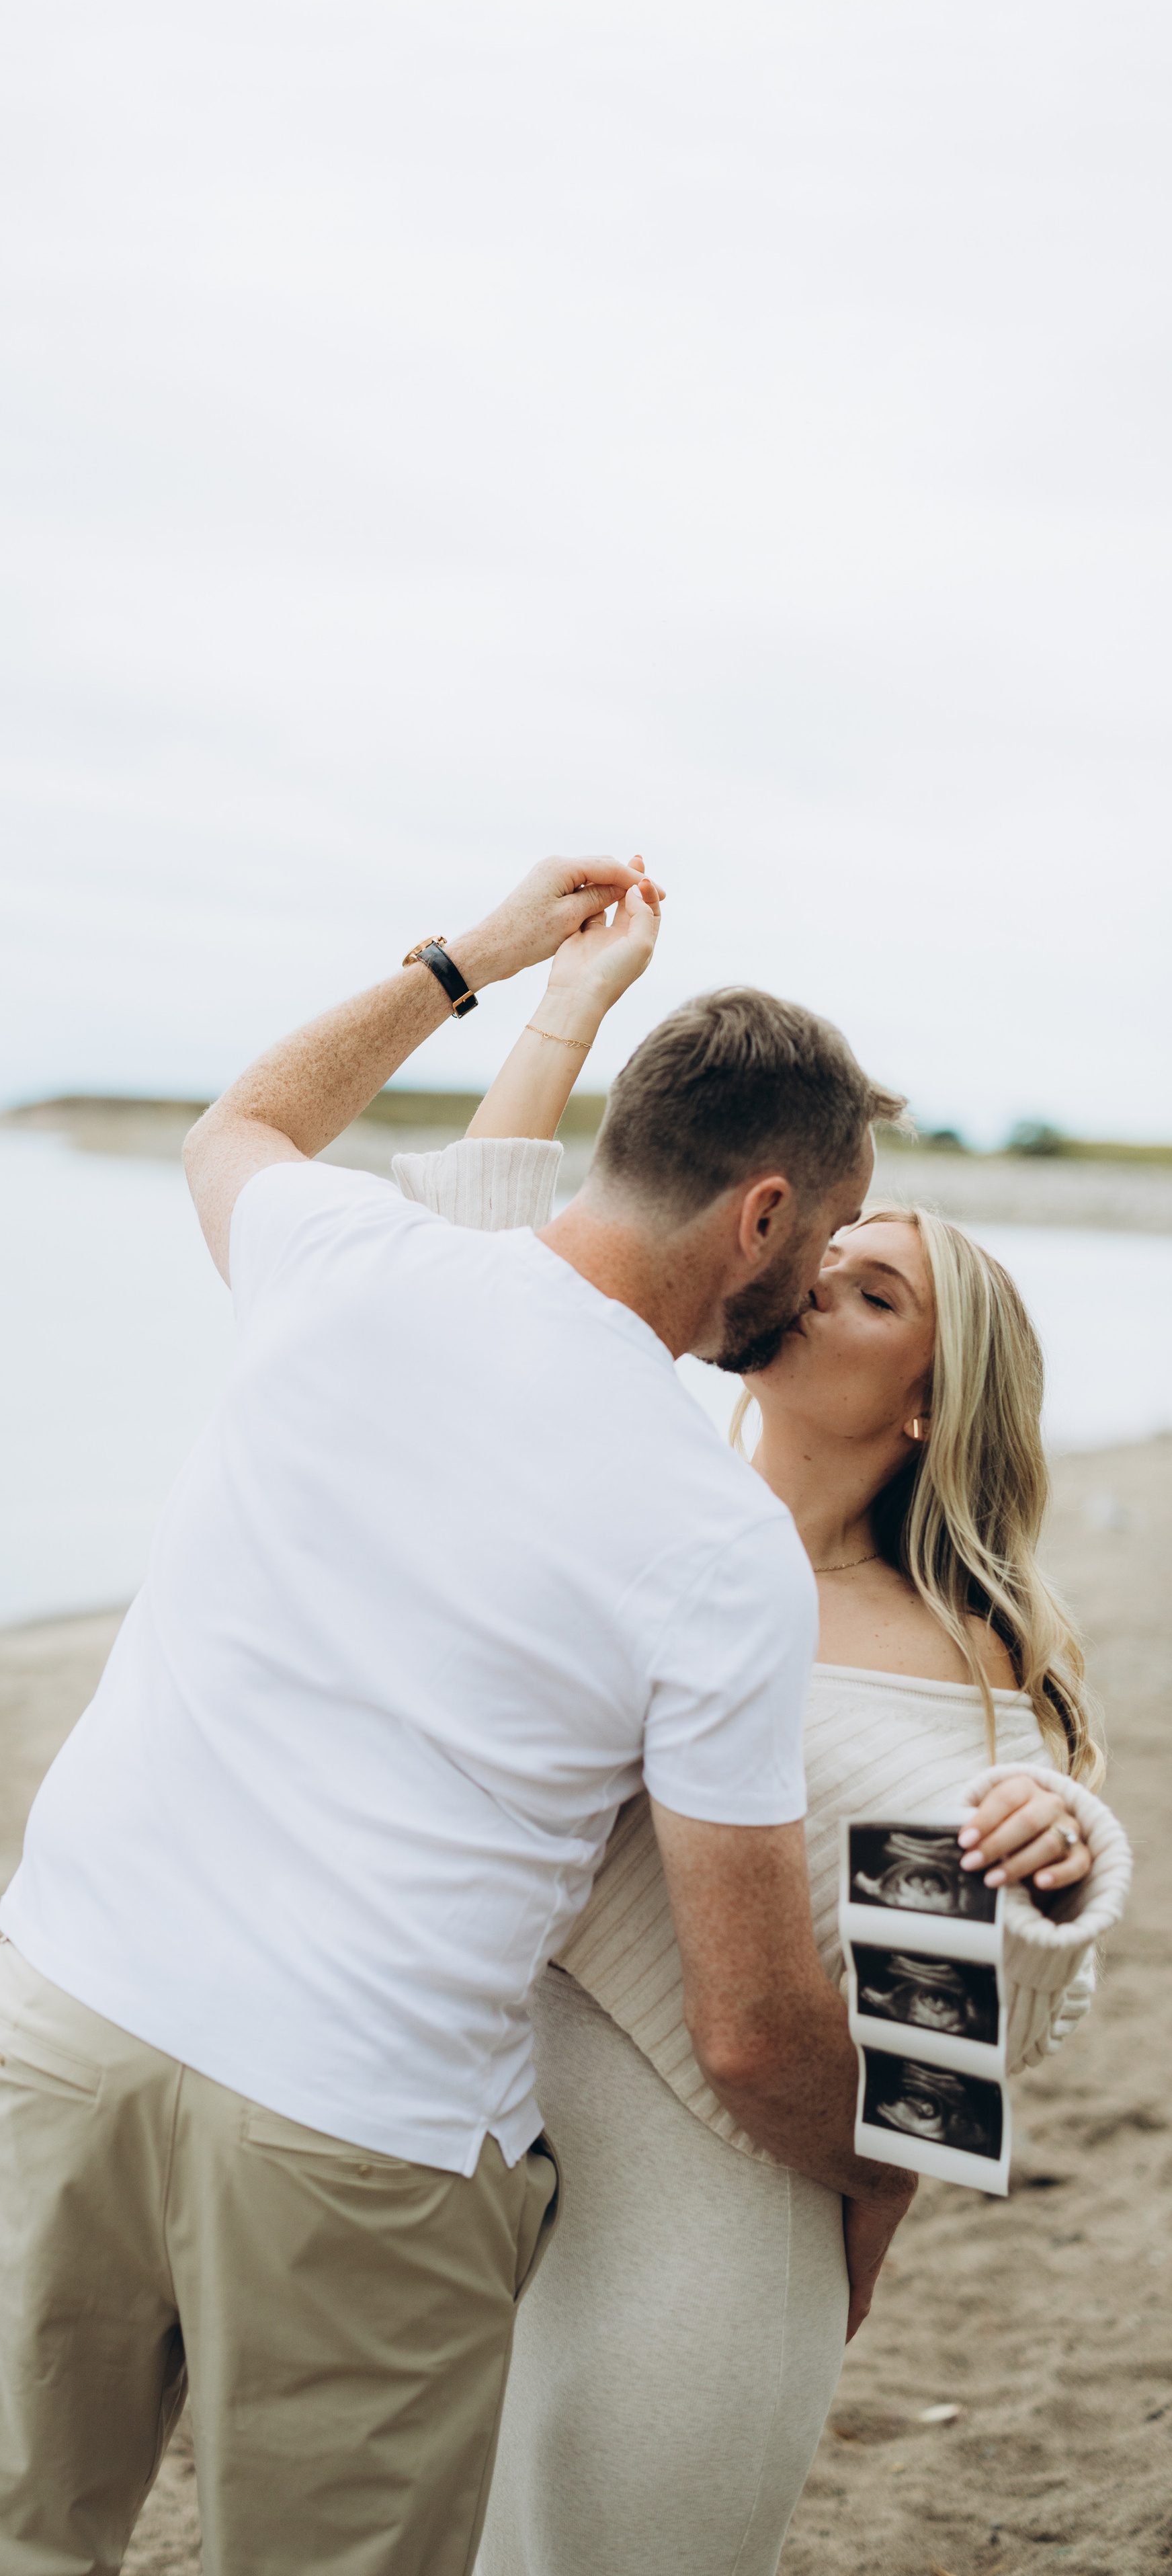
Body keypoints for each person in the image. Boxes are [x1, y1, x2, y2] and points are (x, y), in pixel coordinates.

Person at [0, 855, 915, 2576]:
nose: (803, 1292)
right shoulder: (717, 1544)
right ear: (762, 1213)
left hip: (62, 2023)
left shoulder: (347, 1261)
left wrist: (471, 961)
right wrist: (867, 2177)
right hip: (363, 2135)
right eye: (817, 1243)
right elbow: (745, 2018)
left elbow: (237, 1125)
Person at [390, 901, 1132, 2576]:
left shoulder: (968, 1668)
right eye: (830, 1248)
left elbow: (958, 2020)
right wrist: (563, 1007)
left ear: (928, 1399)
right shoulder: (638, 1496)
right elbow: (485, 1251)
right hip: (469, 2145)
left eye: (869, 1294)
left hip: (716, 2212)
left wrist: (1071, 1849)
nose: (812, 1283)